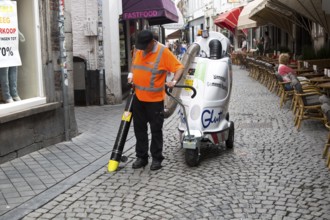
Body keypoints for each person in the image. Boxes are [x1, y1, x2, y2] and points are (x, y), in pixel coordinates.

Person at [129, 30, 184, 171]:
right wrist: (131, 74)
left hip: (154, 100)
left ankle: (157, 159)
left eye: (144, 46)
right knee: (139, 129)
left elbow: (179, 67)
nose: (141, 49)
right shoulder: (138, 48)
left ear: (152, 42)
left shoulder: (162, 52)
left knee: (155, 130)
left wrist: (174, 81)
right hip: (138, 97)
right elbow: (134, 64)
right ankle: (141, 157)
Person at [0, 30, 25, 103]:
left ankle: (14, 93)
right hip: (2, 45)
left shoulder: (9, 18)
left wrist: (18, 32)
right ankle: (6, 95)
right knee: (4, 70)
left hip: (11, 45)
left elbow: (12, 25)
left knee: (13, 68)